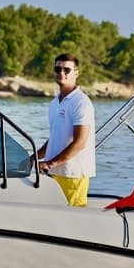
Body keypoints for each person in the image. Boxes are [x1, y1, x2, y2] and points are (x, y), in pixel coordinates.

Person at [35, 53, 96, 206]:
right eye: (58, 69)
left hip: (73, 174)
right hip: (55, 173)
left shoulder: (81, 102)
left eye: (67, 70)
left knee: (73, 221)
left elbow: (80, 143)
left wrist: (49, 164)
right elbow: (55, 138)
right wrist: (32, 159)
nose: (61, 73)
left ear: (76, 73)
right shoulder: (55, 103)